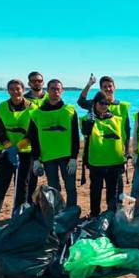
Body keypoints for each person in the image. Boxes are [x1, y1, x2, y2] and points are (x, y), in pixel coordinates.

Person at [0, 79, 36, 220]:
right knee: (0, 185)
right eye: (12, 89)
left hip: (26, 153)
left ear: (23, 89)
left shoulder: (32, 108)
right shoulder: (2, 106)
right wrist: (9, 147)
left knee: (22, 186)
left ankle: (19, 215)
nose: (15, 91)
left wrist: (19, 147)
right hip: (6, 152)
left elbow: (33, 131)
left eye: (18, 88)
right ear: (8, 91)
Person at [28, 79, 80, 207]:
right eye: (52, 88)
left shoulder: (70, 110)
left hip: (66, 156)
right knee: (54, 188)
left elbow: (75, 136)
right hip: (48, 157)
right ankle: (57, 212)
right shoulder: (36, 113)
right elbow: (34, 138)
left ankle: (71, 212)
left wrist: (74, 157)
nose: (55, 91)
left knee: (70, 187)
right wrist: (36, 159)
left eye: (58, 89)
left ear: (62, 91)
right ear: (47, 90)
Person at [78, 74, 131, 193]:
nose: (107, 89)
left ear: (114, 87)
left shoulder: (122, 106)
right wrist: (89, 84)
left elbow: (127, 129)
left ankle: (116, 208)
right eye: (104, 87)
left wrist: (127, 151)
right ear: (100, 89)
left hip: (117, 150)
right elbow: (81, 102)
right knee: (96, 186)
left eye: (110, 86)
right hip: (99, 153)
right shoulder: (96, 103)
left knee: (117, 185)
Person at [82, 92, 127, 215]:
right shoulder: (88, 118)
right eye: (101, 103)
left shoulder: (117, 119)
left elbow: (123, 137)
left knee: (112, 190)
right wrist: (90, 122)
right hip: (96, 162)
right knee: (95, 189)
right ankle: (94, 213)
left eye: (107, 103)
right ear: (95, 104)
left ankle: (111, 213)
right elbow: (85, 133)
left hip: (114, 161)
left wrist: (126, 155)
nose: (104, 105)